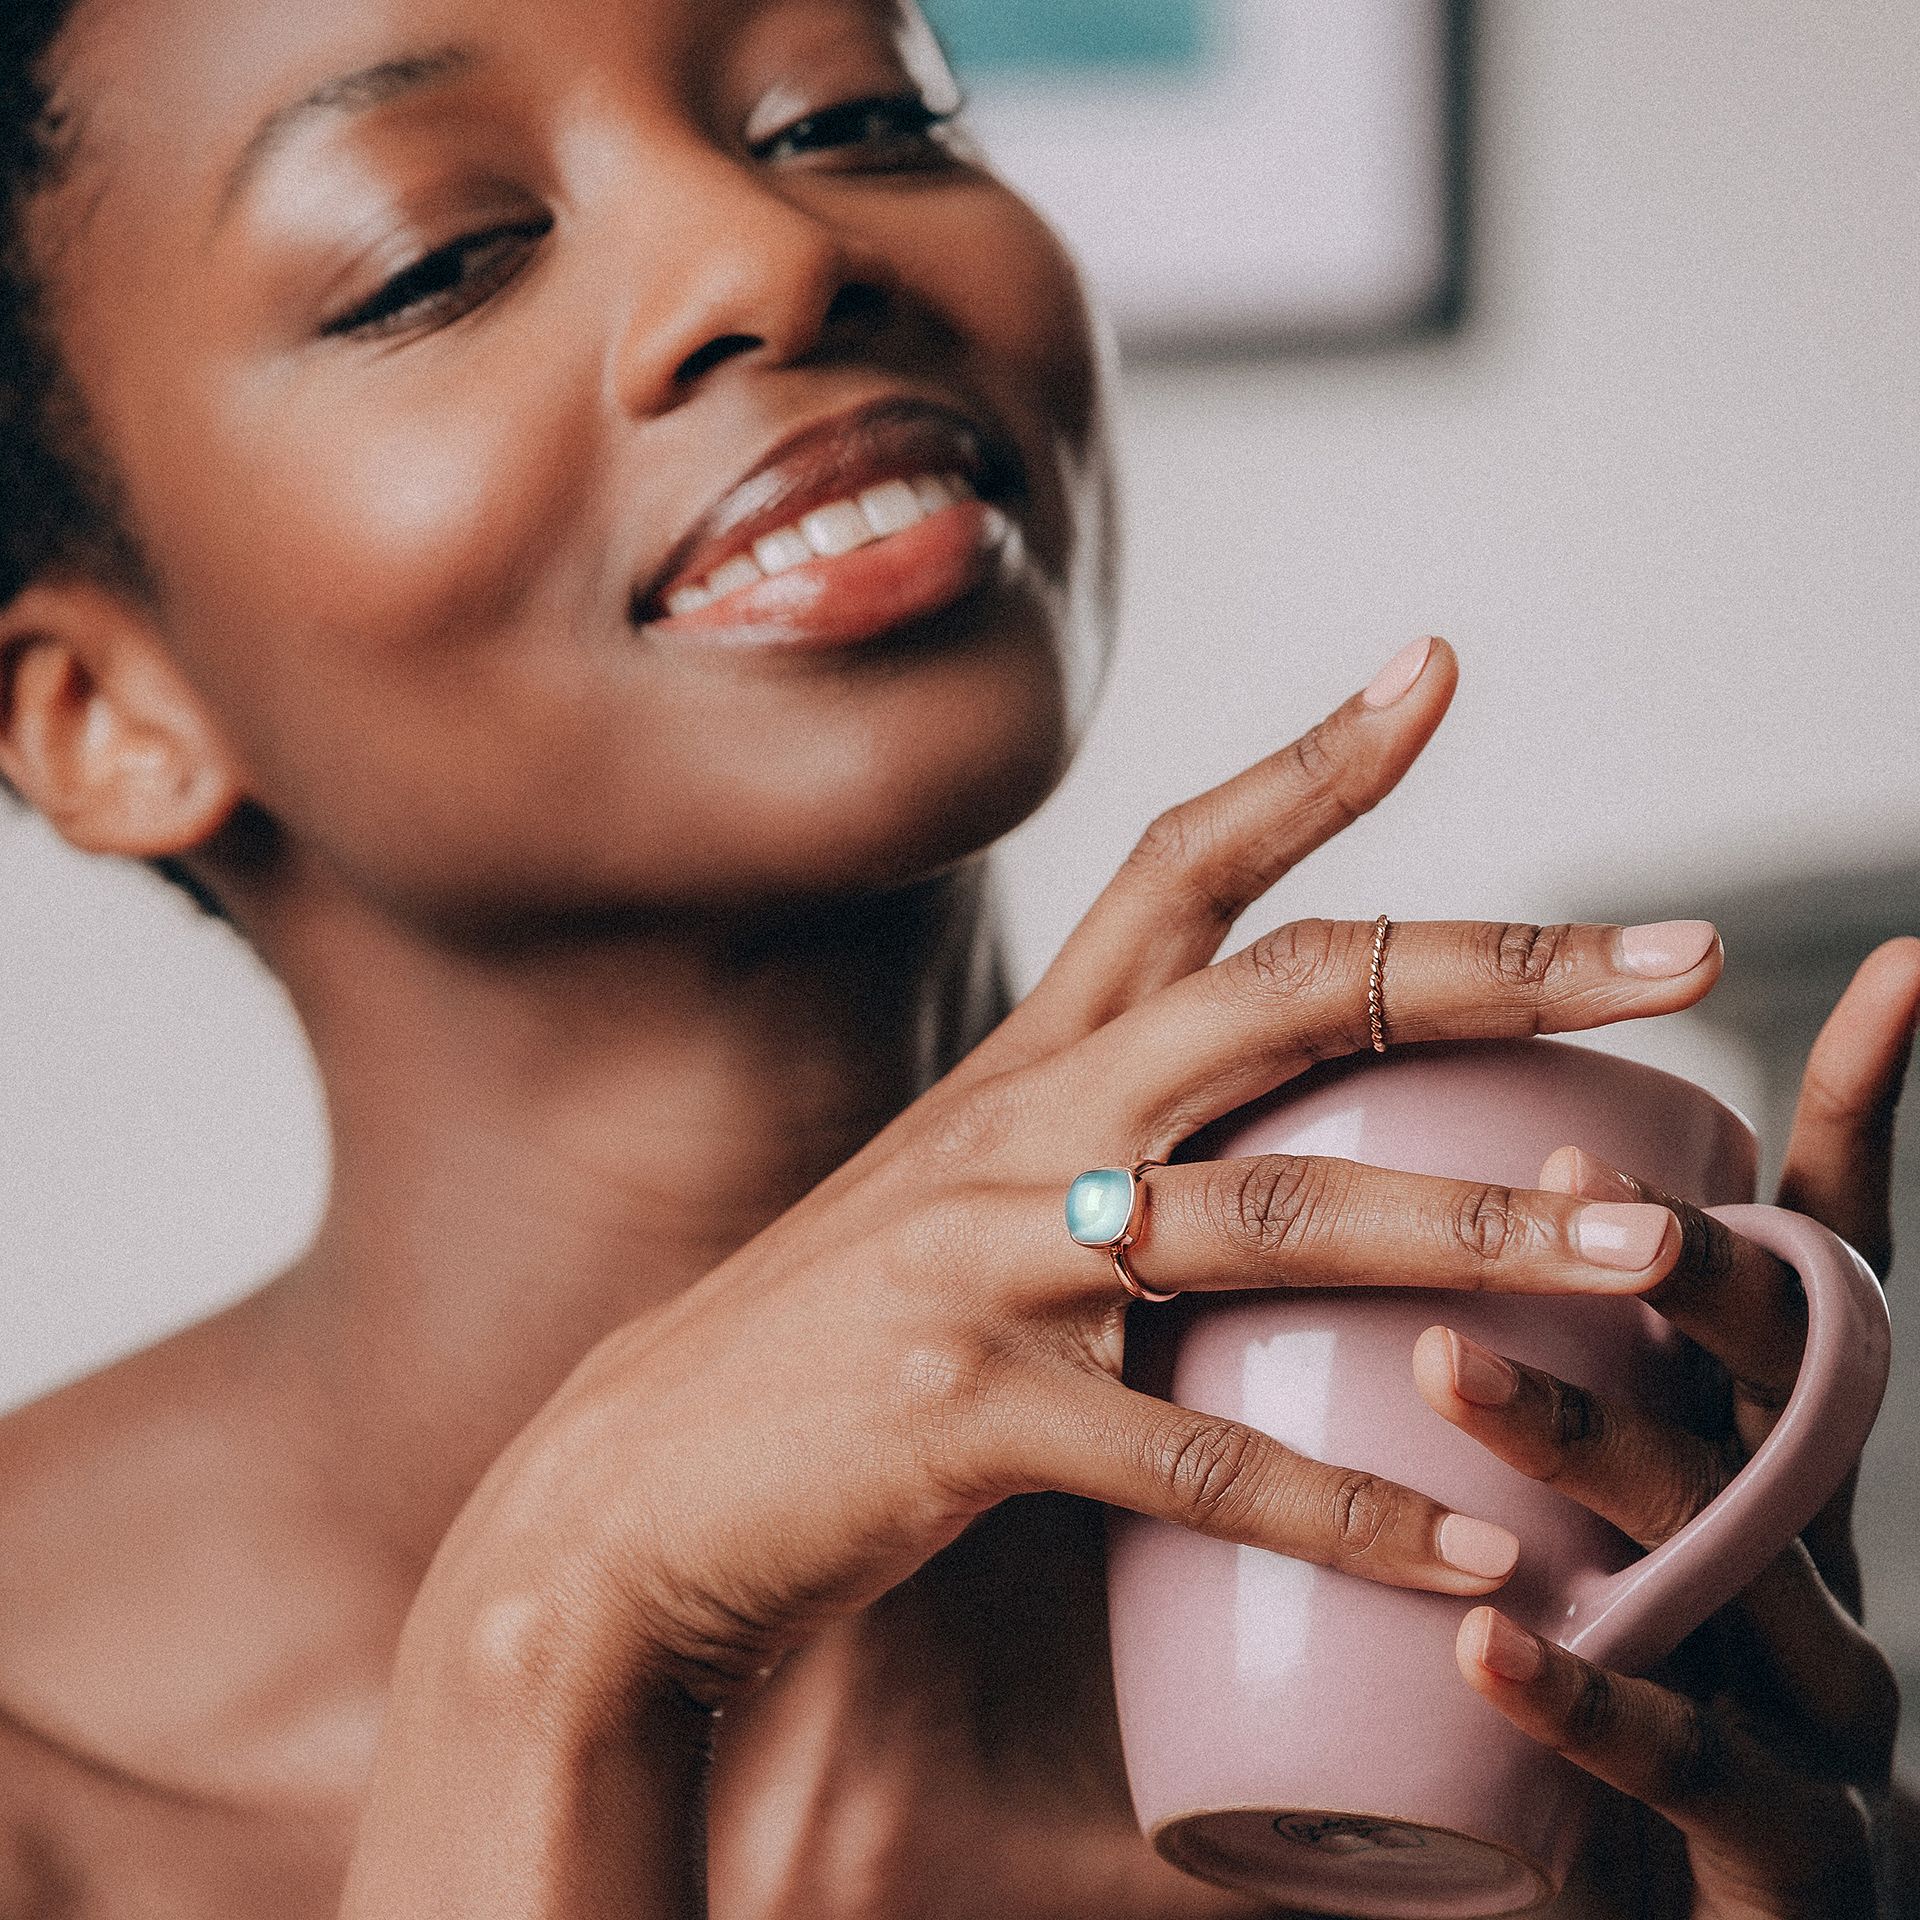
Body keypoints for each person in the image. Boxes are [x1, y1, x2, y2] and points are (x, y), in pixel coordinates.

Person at [0, 1, 1915, 1913]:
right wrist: (550, 1635)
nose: (777, 251)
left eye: (858, 116)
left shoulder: (1518, 1759)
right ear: (103, 714)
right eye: (442, 257)